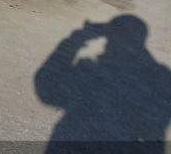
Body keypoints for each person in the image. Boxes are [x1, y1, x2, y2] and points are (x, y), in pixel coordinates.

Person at [35, 15, 171, 154]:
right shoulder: (161, 77)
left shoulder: (90, 73)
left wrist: (75, 40)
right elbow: (155, 133)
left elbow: (47, 89)